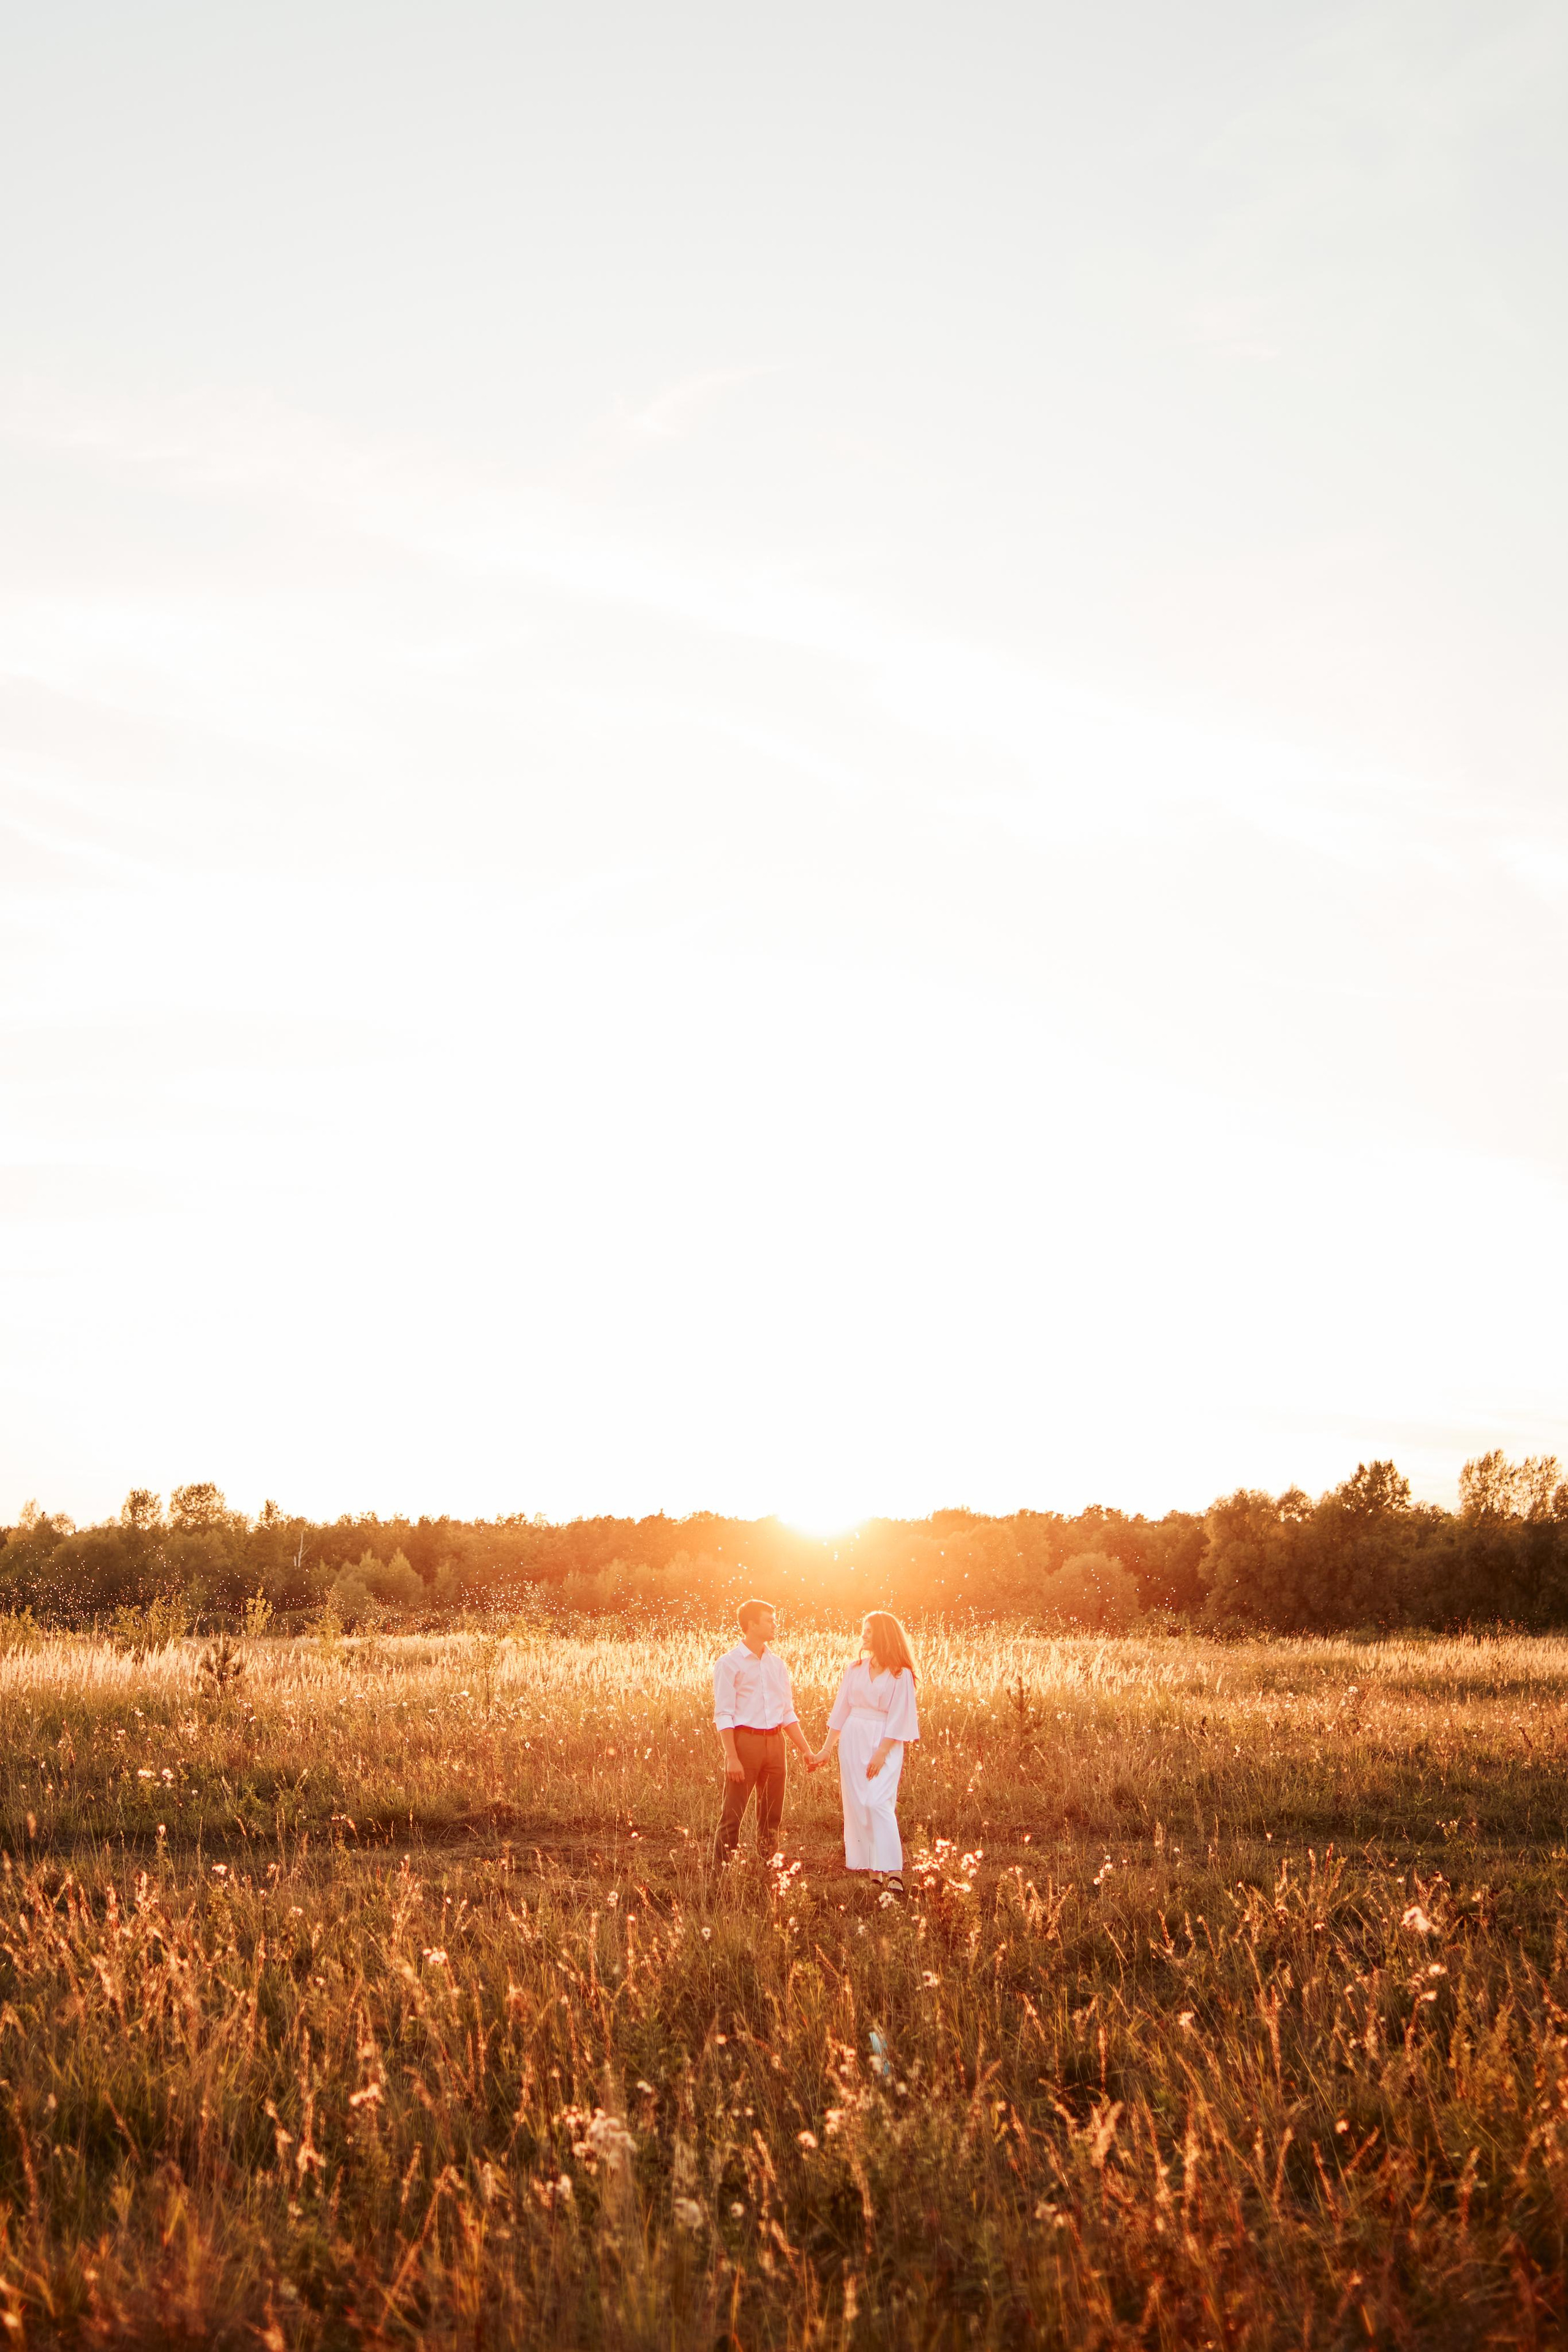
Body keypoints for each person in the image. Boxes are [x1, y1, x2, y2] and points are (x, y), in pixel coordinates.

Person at [812, 1610, 920, 1894]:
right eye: (863, 1629)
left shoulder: (901, 1674)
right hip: (852, 1739)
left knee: (878, 1802)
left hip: (885, 1741)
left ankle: (894, 1871)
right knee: (860, 1804)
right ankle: (874, 1871)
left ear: (883, 1635)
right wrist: (826, 1749)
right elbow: (840, 1711)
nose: (863, 1635)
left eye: (869, 1630)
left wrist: (882, 1752)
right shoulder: (855, 1669)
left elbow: (900, 1717)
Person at [712, 1597, 818, 1861]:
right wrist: (732, 1756)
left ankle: (766, 1869)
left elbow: (786, 1713)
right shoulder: (729, 1663)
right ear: (751, 1624)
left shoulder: (777, 1665)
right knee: (733, 1815)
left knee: (772, 1816)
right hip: (745, 1743)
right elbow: (723, 1714)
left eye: (775, 1620)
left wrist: (806, 1750)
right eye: (769, 1621)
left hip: (775, 1744)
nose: (775, 1626)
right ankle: (722, 1877)